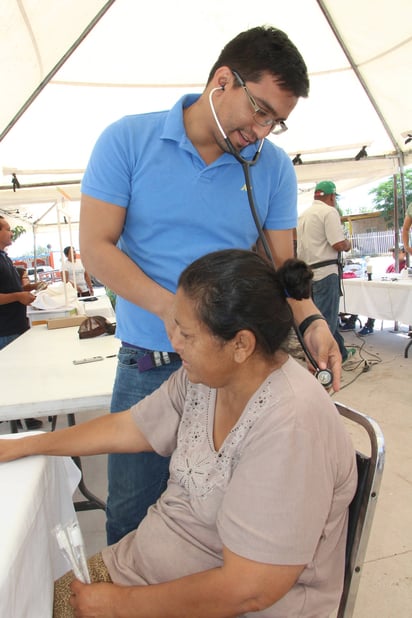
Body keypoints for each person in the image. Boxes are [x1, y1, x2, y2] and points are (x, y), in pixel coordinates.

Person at [79, 26, 342, 545]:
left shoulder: (272, 169)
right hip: (150, 362)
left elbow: (283, 267)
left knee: (227, 516)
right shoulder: (128, 140)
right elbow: (97, 248)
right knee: (131, 512)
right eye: (260, 110)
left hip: (233, 367)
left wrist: (310, 320)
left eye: (277, 122)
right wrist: (171, 310)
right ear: (223, 80)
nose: (263, 131)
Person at [0, 249, 357, 618]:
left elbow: (249, 589)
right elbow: (129, 426)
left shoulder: (289, 425)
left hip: (220, 605)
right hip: (144, 569)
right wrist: (27, 444)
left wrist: (120, 605)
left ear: (241, 344)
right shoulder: (208, 379)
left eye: (187, 334)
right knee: (26, 601)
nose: (175, 344)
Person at [297, 180, 352, 362]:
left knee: (318, 317)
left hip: (308, 273)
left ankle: (341, 352)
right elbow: (337, 242)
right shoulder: (329, 212)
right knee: (326, 321)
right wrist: (347, 244)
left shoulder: (303, 215)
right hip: (326, 272)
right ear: (331, 196)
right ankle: (321, 361)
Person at [0, 216, 42, 430]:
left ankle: (27, 415)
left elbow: (11, 288)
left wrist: (30, 287)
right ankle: (15, 419)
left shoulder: (5, 258)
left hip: (17, 324)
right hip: (5, 329)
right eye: (7, 229)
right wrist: (18, 297)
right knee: (12, 376)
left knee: (23, 373)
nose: (10, 232)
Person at [342, 246, 408, 336]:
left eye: (398, 252)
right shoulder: (390, 266)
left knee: (373, 300)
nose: (394, 254)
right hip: (386, 291)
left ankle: (369, 325)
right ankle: (352, 320)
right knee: (363, 297)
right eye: (393, 252)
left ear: (404, 253)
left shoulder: (406, 267)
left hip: (397, 295)